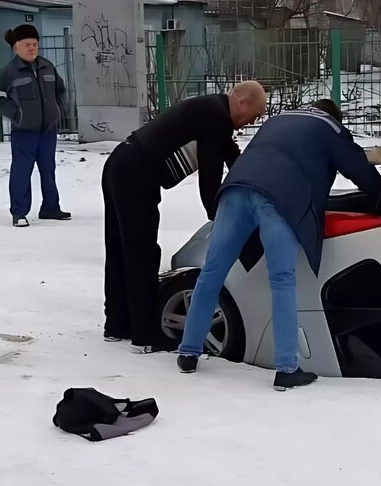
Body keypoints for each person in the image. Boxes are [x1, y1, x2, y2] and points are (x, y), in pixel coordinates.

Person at [175, 99, 381, 390]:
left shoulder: (277, 120)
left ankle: (188, 352)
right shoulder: (330, 127)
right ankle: (286, 368)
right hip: (280, 199)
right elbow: (358, 168)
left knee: (212, 273)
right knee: (281, 280)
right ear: (335, 117)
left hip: (236, 190)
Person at [101, 81, 267, 353]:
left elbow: (233, 159)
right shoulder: (215, 117)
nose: (253, 121)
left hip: (121, 164)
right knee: (141, 252)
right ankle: (145, 335)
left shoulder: (214, 111)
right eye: (256, 114)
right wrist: (223, 219)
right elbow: (210, 178)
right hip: (134, 174)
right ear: (241, 102)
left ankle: (117, 324)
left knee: (121, 248)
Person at [0, 24, 70, 228]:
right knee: (21, 171)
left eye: (35, 44)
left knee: (48, 170)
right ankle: (19, 212)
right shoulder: (9, 72)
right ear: (16, 47)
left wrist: (58, 110)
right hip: (24, 132)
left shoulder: (47, 66)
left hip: (48, 130)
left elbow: (61, 91)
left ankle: (50, 207)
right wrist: (18, 115)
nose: (32, 48)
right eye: (27, 44)